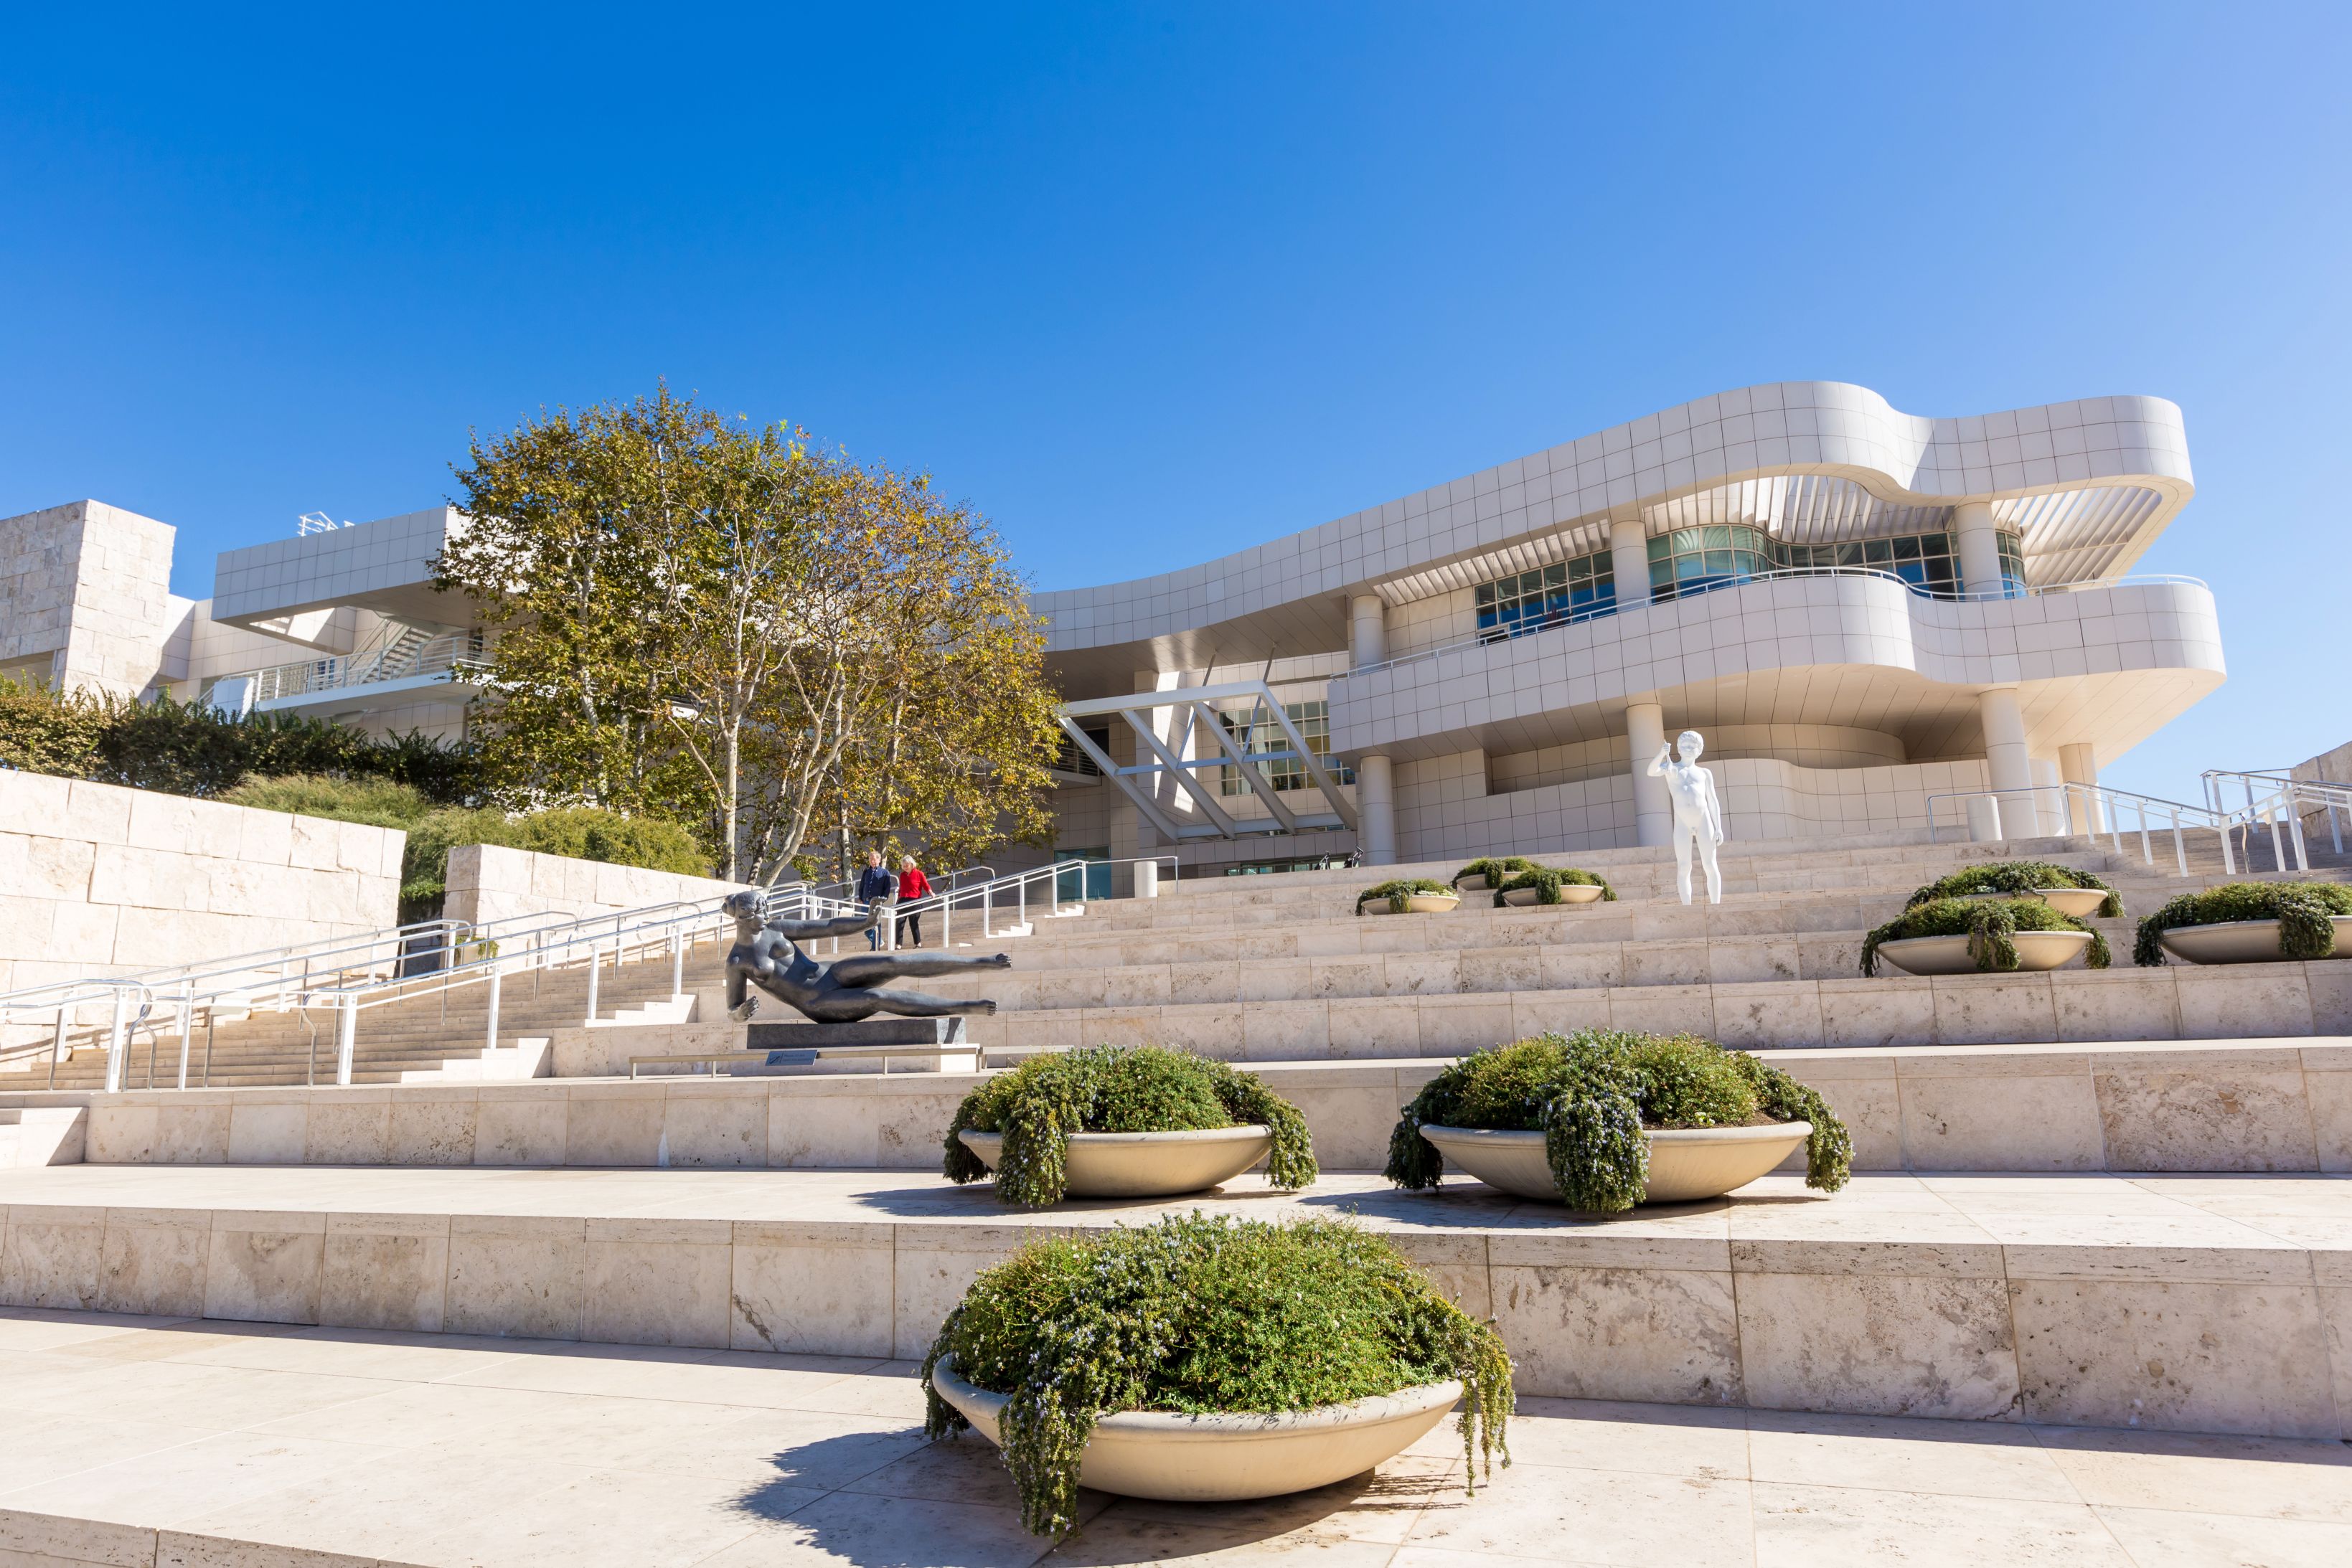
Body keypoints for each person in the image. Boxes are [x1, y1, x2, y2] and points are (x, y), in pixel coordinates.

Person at [720, 892, 1007, 1024]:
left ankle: (980, 962)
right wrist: (739, 1013)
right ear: (742, 919)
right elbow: (732, 1008)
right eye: (759, 914)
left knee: (893, 962)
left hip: (830, 973)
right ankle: (966, 1006)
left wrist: (867, 922)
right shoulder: (737, 961)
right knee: (877, 998)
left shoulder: (775, 928)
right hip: (817, 1002)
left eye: (766, 911)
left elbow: (828, 927)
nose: (766, 917)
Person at [1647, 729, 1726, 905]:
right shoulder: (1671, 768)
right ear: (1679, 748)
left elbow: (1713, 801)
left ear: (1699, 750)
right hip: (1682, 822)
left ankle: (1716, 906)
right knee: (1684, 867)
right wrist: (1661, 753)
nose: (1688, 748)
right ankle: (1687, 907)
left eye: (1692, 746)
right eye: (1684, 745)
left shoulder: (1704, 773)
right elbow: (1651, 772)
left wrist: (1718, 826)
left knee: (1710, 865)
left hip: (1704, 820)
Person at [855, 850, 897, 949]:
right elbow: (862, 885)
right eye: (870, 859)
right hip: (865, 901)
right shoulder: (866, 871)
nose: (872, 861)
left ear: (879, 860)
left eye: (874, 859)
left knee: (876, 924)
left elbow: (887, 888)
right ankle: (879, 941)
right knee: (866, 926)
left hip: (877, 901)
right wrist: (860, 897)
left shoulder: (885, 873)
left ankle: (875, 947)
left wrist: (883, 898)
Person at [896, 854, 933, 948]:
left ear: (912, 864)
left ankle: (918, 943)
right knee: (899, 923)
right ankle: (898, 944)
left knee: (913, 923)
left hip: (915, 901)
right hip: (903, 900)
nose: (905, 868)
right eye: (903, 866)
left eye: (907, 865)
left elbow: (925, 885)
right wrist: (898, 901)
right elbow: (901, 889)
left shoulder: (919, 874)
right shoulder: (902, 875)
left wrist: (931, 892)